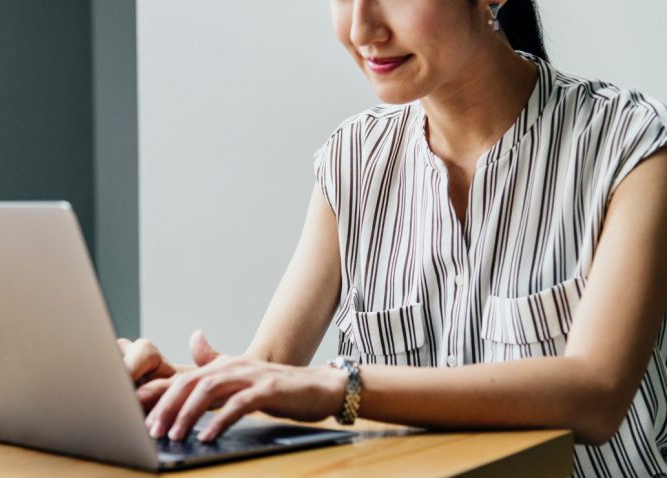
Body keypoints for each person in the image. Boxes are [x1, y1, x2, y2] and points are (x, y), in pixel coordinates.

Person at [118, 1, 667, 476]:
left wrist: (344, 387)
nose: (362, 29)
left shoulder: (629, 147)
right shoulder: (351, 160)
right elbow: (269, 372)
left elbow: (595, 393)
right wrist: (168, 384)